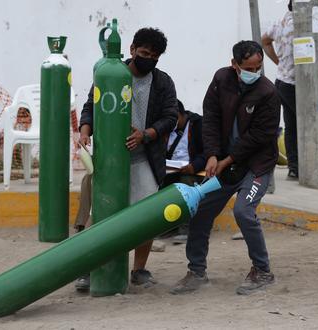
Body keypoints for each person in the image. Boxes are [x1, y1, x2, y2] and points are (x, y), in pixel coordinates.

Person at [170, 41, 280, 296]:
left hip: (256, 165)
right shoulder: (221, 79)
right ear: (234, 65)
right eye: (248, 67)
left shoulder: (268, 93)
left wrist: (226, 159)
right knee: (201, 210)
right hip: (224, 165)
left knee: (243, 211)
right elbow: (211, 118)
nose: (255, 72)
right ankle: (196, 271)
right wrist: (211, 155)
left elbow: (259, 137)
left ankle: (262, 271)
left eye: (259, 67)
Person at [77, 27, 178, 291]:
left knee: (146, 216)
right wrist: (85, 131)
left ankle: (139, 269)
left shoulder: (163, 82)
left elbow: (170, 117)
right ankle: (87, 269)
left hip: (145, 158)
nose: (149, 59)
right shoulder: (110, 74)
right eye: (144, 53)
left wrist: (145, 134)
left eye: (155, 56)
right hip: (111, 158)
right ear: (132, 49)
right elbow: (91, 105)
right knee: (100, 213)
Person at [262, 0, 318, 182]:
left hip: (282, 82)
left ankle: (294, 168)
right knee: (312, 125)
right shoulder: (306, 25)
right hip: (298, 85)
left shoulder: (280, 22)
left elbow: (264, 40)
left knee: (292, 127)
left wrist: (279, 63)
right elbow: (314, 54)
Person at [162, 100, 205, 187]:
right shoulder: (165, 128)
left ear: (179, 113)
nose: (169, 122)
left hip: (191, 173)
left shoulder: (198, 124)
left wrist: (194, 166)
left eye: (171, 118)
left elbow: (208, 151)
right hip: (169, 172)